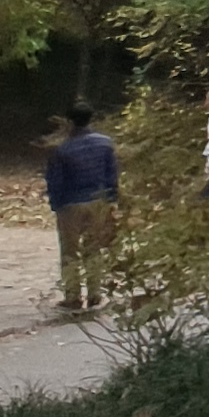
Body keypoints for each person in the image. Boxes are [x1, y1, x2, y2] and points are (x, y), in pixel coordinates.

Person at [45, 105, 119, 314]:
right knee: (93, 248)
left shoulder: (62, 150)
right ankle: (95, 293)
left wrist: (56, 204)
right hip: (98, 201)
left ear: (69, 122)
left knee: (69, 251)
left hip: (70, 203)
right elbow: (111, 174)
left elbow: (55, 181)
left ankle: (72, 296)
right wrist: (112, 199)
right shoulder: (105, 143)